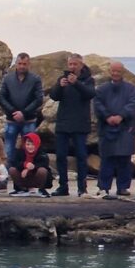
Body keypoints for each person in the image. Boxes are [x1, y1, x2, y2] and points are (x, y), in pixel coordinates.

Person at [48, 54, 95, 197]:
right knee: (61, 156)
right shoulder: (62, 79)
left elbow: (90, 94)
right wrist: (59, 86)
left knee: (81, 156)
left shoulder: (88, 80)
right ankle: (63, 187)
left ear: (81, 65)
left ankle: (82, 187)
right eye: (70, 64)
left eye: (75, 64)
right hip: (63, 123)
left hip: (80, 124)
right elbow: (54, 96)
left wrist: (76, 83)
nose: (72, 67)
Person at [94, 62, 135, 200]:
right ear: (109, 71)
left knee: (124, 159)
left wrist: (121, 116)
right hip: (106, 127)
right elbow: (97, 104)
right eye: (113, 71)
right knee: (107, 159)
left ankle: (123, 187)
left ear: (123, 72)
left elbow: (133, 104)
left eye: (118, 71)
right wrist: (108, 116)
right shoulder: (101, 89)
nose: (115, 74)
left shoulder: (131, 89)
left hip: (125, 127)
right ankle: (104, 187)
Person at [0, 53, 43, 167]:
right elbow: (1, 97)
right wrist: (13, 112)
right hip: (11, 120)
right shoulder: (8, 79)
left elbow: (39, 99)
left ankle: (27, 175)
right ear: (16, 64)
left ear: (29, 64)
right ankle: (6, 176)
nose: (22, 66)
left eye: (24, 64)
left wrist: (24, 112)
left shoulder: (35, 79)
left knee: (30, 150)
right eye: (20, 63)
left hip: (29, 120)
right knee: (8, 150)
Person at [9, 132, 51, 197]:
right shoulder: (20, 152)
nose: (30, 147)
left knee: (42, 170)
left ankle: (41, 189)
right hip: (23, 178)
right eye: (28, 144)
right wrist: (25, 165)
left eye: (32, 144)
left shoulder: (42, 153)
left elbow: (44, 164)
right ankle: (22, 189)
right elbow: (14, 163)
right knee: (12, 170)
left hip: (36, 178)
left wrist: (32, 167)